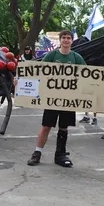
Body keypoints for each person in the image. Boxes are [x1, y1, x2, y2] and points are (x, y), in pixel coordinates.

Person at [25, 30, 85, 168]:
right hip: (52, 99)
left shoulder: (77, 58)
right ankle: (37, 153)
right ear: (60, 40)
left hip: (68, 99)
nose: (66, 40)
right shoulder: (52, 55)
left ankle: (60, 155)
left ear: (71, 41)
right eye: (63, 37)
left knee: (63, 128)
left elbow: (88, 78)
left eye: (68, 38)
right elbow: (38, 72)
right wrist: (21, 81)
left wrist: (102, 90)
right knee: (46, 126)